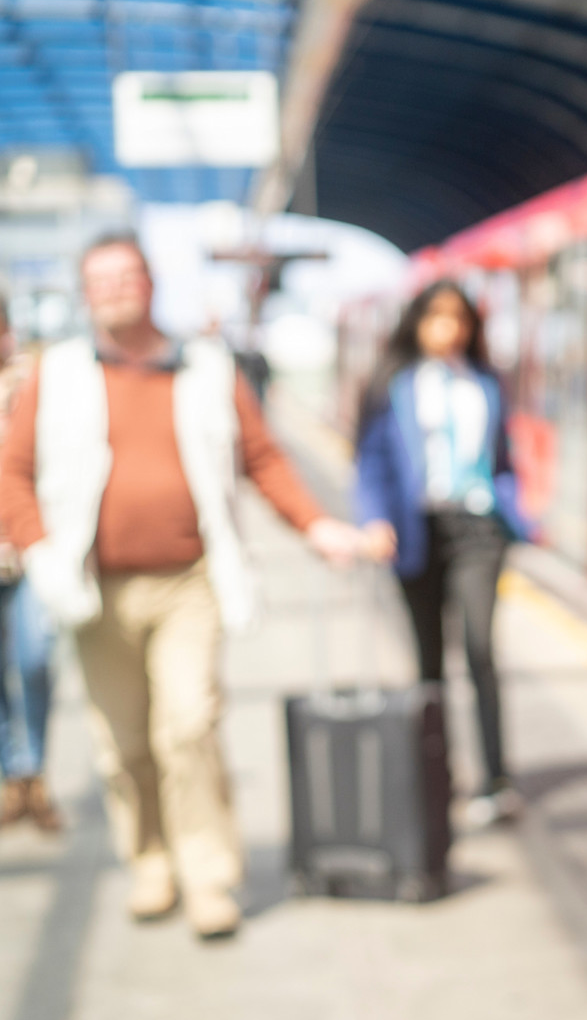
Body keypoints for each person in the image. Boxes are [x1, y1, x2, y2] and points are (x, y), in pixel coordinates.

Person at [0, 234, 360, 940]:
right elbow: (11, 471)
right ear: (83, 292)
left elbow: (262, 457)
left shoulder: (205, 367)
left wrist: (318, 525)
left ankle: (208, 874)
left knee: (188, 726)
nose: (113, 290)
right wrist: (40, 551)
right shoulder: (58, 374)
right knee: (123, 742)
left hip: (189, 580)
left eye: (125, 276)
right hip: (95, 587)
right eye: (98, 280)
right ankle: (149, 859)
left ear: (150, 282)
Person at [354, 281, 533, 828]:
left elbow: (501, 456)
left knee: (479, 649)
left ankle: (495, 782)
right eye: (436, 317)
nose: (448, 328)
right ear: (416, 322)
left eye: (458, 318)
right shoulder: (393, 383)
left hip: (478, 528)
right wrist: (373, 519)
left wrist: (515, 511)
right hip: (416, 530)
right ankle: (434, 779)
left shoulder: (485, 381)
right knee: (428, 660)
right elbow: (371, 461)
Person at [0, 298, 58, 834]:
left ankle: (32, 767)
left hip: (29, 551)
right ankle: (13, 777)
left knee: (36, 660)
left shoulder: (36, 381)